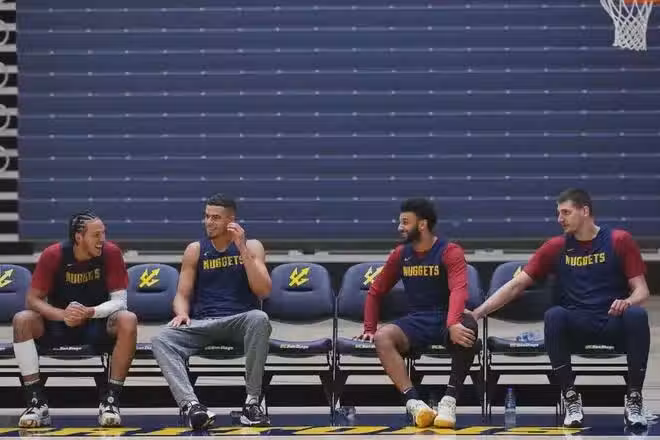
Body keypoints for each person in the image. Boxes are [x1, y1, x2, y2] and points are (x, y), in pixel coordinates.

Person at [471, 188, 650, 429]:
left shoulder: (619, 240)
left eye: (566, 212)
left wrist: (628, 302)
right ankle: (571, 398)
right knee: (554, 316)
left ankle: (634, 398)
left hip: (611, 321)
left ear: (584, 211)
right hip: (576, 325)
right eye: (558, 213)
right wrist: (478, 313)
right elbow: (515, 285)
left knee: (637, 315)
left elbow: (642, 291)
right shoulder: (555, 247)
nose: (559, 219)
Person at [151, 194, 272, 430]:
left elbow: (264, 290)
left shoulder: (251, 246)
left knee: (260, 318)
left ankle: (251, 404)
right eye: (206, 216)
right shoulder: (195, 250)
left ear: (231, 221)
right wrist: (182, 313)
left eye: (215, 218)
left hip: (239, 322)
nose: (208, 222)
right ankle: (192, 407)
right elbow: (182, 294)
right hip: (203, 324)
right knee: (160, 338)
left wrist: (241, 248)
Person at [355, 198, 479, 429]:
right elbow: (376, 291)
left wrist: (453, 323)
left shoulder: (450, 251)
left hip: (445, 318)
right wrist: (369, 328)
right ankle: (415, 403)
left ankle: (449, 401)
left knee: (469, 326)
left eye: (405, 222)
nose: (399, 227)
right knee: (383, 337)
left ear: (422, 225)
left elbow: (458, 290)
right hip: (417, 320)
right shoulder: (401, 254)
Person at [12, 211, 137, 428]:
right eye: (96, 235)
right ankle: (36, 403)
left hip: (96, 323)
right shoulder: (53, 255)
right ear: (79, 237)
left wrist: (90, 312)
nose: (102, 239)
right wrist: (63, 315)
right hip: (58, 325)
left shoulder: (111, 253)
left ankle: (110, 401)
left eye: (103, 233)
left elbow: (120, 301)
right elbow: (32, 300)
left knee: (128, 319)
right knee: (22, 320)